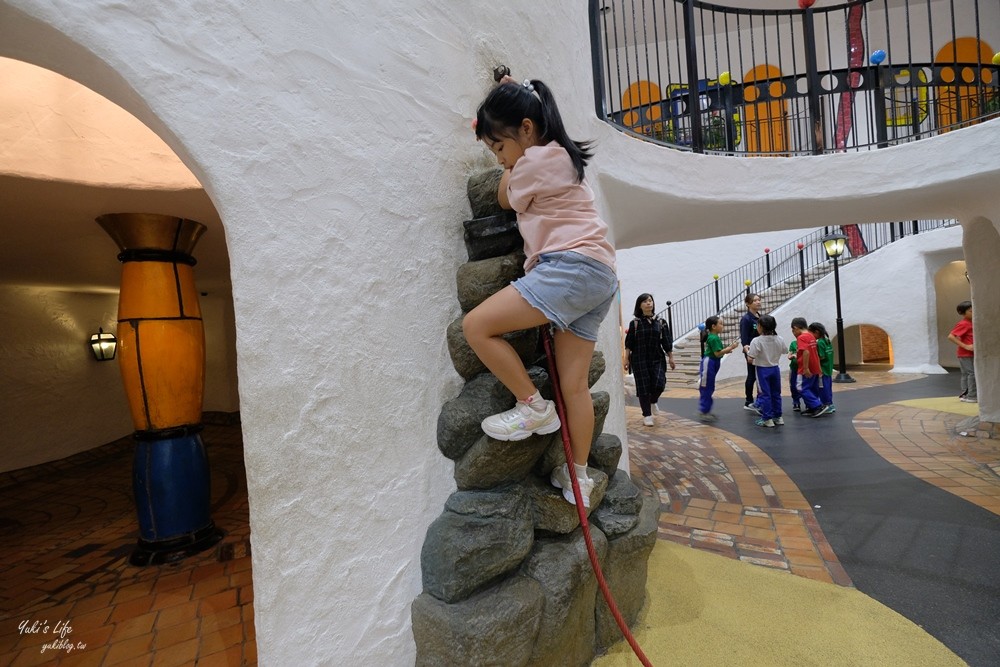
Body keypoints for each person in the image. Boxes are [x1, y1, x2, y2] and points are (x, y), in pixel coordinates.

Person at [463, 76, 618, 508]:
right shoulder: (564, 157)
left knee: (476, 327)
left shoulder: (531, 164)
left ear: (527, 129)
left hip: (568, 267)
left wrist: (508, 166)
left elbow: (502, 198)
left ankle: (532, 407)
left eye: (498, 147)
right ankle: (580, 478)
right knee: (574, 387)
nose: (499, 157)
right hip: (600, 275)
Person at [625, 293, 675, 427]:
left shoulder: (660, 322)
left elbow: (666, 340)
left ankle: (653, 401)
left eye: (650, 300)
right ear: (639, 305)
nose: (648, 303)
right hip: (639, 358)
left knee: (660, 383)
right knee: (643, 387)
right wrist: (626, 359)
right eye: (645, 301)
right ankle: (647, 415)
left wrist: (670, 357)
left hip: (657, 357)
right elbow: (629, 343)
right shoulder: (635, 323)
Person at [747, 315, 787, 427]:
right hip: (775, 369)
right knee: (776, 393)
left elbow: (750, 359)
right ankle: (778, 417)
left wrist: (747, 350)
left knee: (765, 394)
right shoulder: (780, 338)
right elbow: (784, 350)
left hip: (762, 370)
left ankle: (767, 419)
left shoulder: (756, 341)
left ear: (760, 326)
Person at [698, 316, 739, 422]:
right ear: (713, 326)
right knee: (707, 387)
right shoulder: (713, 338)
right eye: (720, 324)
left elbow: (718, 352)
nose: (722, 326)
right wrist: (730, 348)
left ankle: (706, 410)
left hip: (713, 362)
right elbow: (717, 353)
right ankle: (704, 411)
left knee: (709, 386)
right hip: (710, 362)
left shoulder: (714, 337)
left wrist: (726, 350)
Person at [791, 317, 830, 417]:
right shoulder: (811, 336)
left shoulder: (801, 337)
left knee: (801, 388)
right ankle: (811, 407)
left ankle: (817, 406)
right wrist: (818, 367)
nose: (793, 332)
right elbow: (815, 352)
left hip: (805, 368)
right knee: (811, 387)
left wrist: (805, 368)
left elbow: (806, 352)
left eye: (792, 330)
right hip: (814, 367)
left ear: (796, 328)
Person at [947, 300, 976, 403]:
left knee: (967, 374)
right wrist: (966, 346)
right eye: (970, 311)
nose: (973, 311)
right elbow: (951, 336)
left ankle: (965, 395)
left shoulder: (970, 322)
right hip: (965, 354)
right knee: (971, 374)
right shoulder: (964, 324)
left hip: (966, 354)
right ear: (963, 312)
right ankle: (972, 396)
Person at [740, 293, 763, 413]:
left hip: (761, 351)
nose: (758, 302)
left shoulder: (760, 317)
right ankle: (748, 401)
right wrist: (748, 352)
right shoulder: (746, 319)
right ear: (748, 304)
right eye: (755, 301)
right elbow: (744, 339)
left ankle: (760, 400)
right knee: (752, 375)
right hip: (751, 351)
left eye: (759, 300)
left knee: (759, 375)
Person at [809, 322, 835, 413]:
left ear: (816, 332)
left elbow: (822, 356)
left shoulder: (820, 342)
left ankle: (826, 405)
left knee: (823, 388)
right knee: (828, 386)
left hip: (822, 369)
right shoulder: (827, 340)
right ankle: (830, 404)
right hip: (828, 368)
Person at [787, 337, 801, 412]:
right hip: (794, 368)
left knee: (805, 386)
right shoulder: (793, 343)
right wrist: (792, 356)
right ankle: (796, 402)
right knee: (793, 385)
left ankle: (809, 403)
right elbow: (789, 355)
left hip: (803, 368)